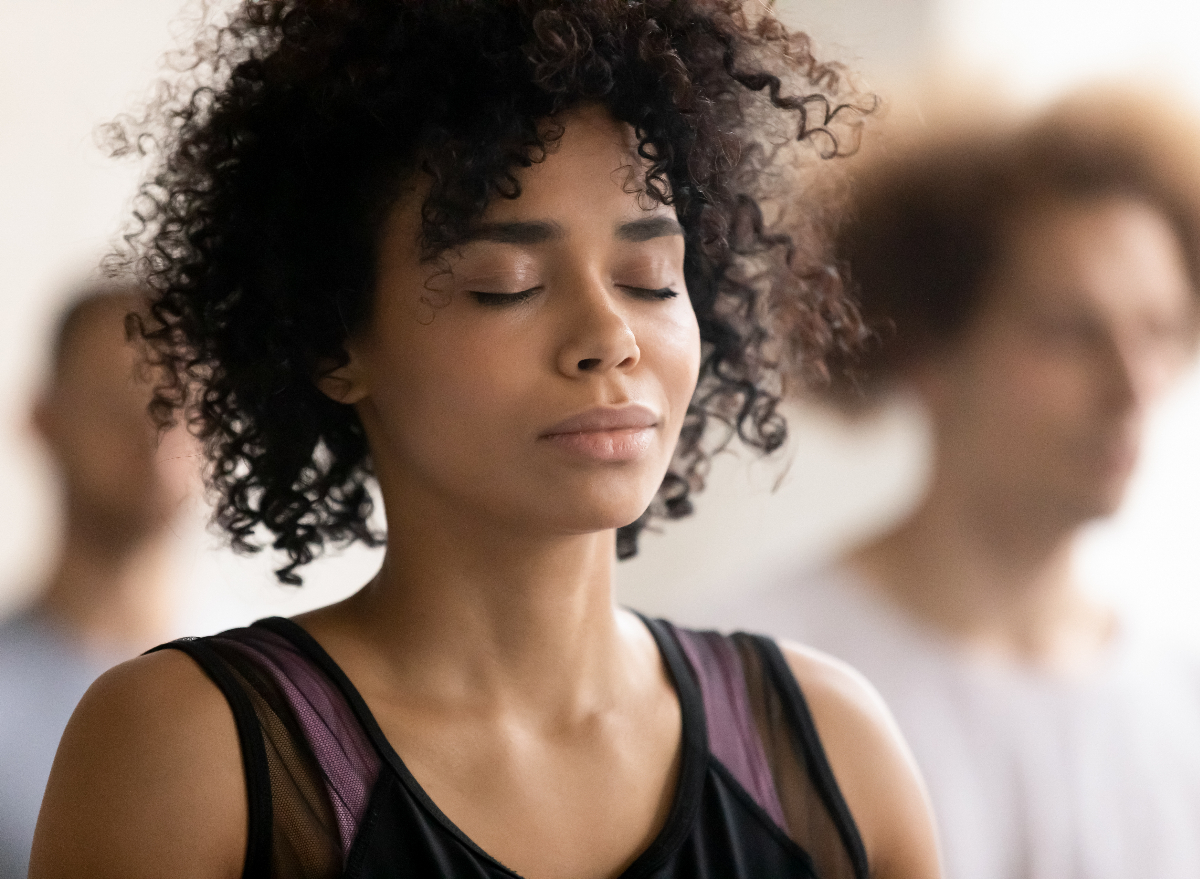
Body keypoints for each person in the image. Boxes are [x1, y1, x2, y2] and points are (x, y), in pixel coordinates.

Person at [30, 3, 940, 878]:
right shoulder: (194, 758)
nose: (610, 337)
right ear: (332, 343)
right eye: (507, 284)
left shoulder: (833, 760)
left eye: (652, 279)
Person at [722, 92, 1200, 879]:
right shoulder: (754, 681)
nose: (1132, 385)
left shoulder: (1182, 701)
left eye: (1158, 329)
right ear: (928, 352)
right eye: (1070, 330)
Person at [0, 283, 193, 878]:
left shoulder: (265, 696)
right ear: (43, 419)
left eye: (178, 407)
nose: (151, 436)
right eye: (115, 403)